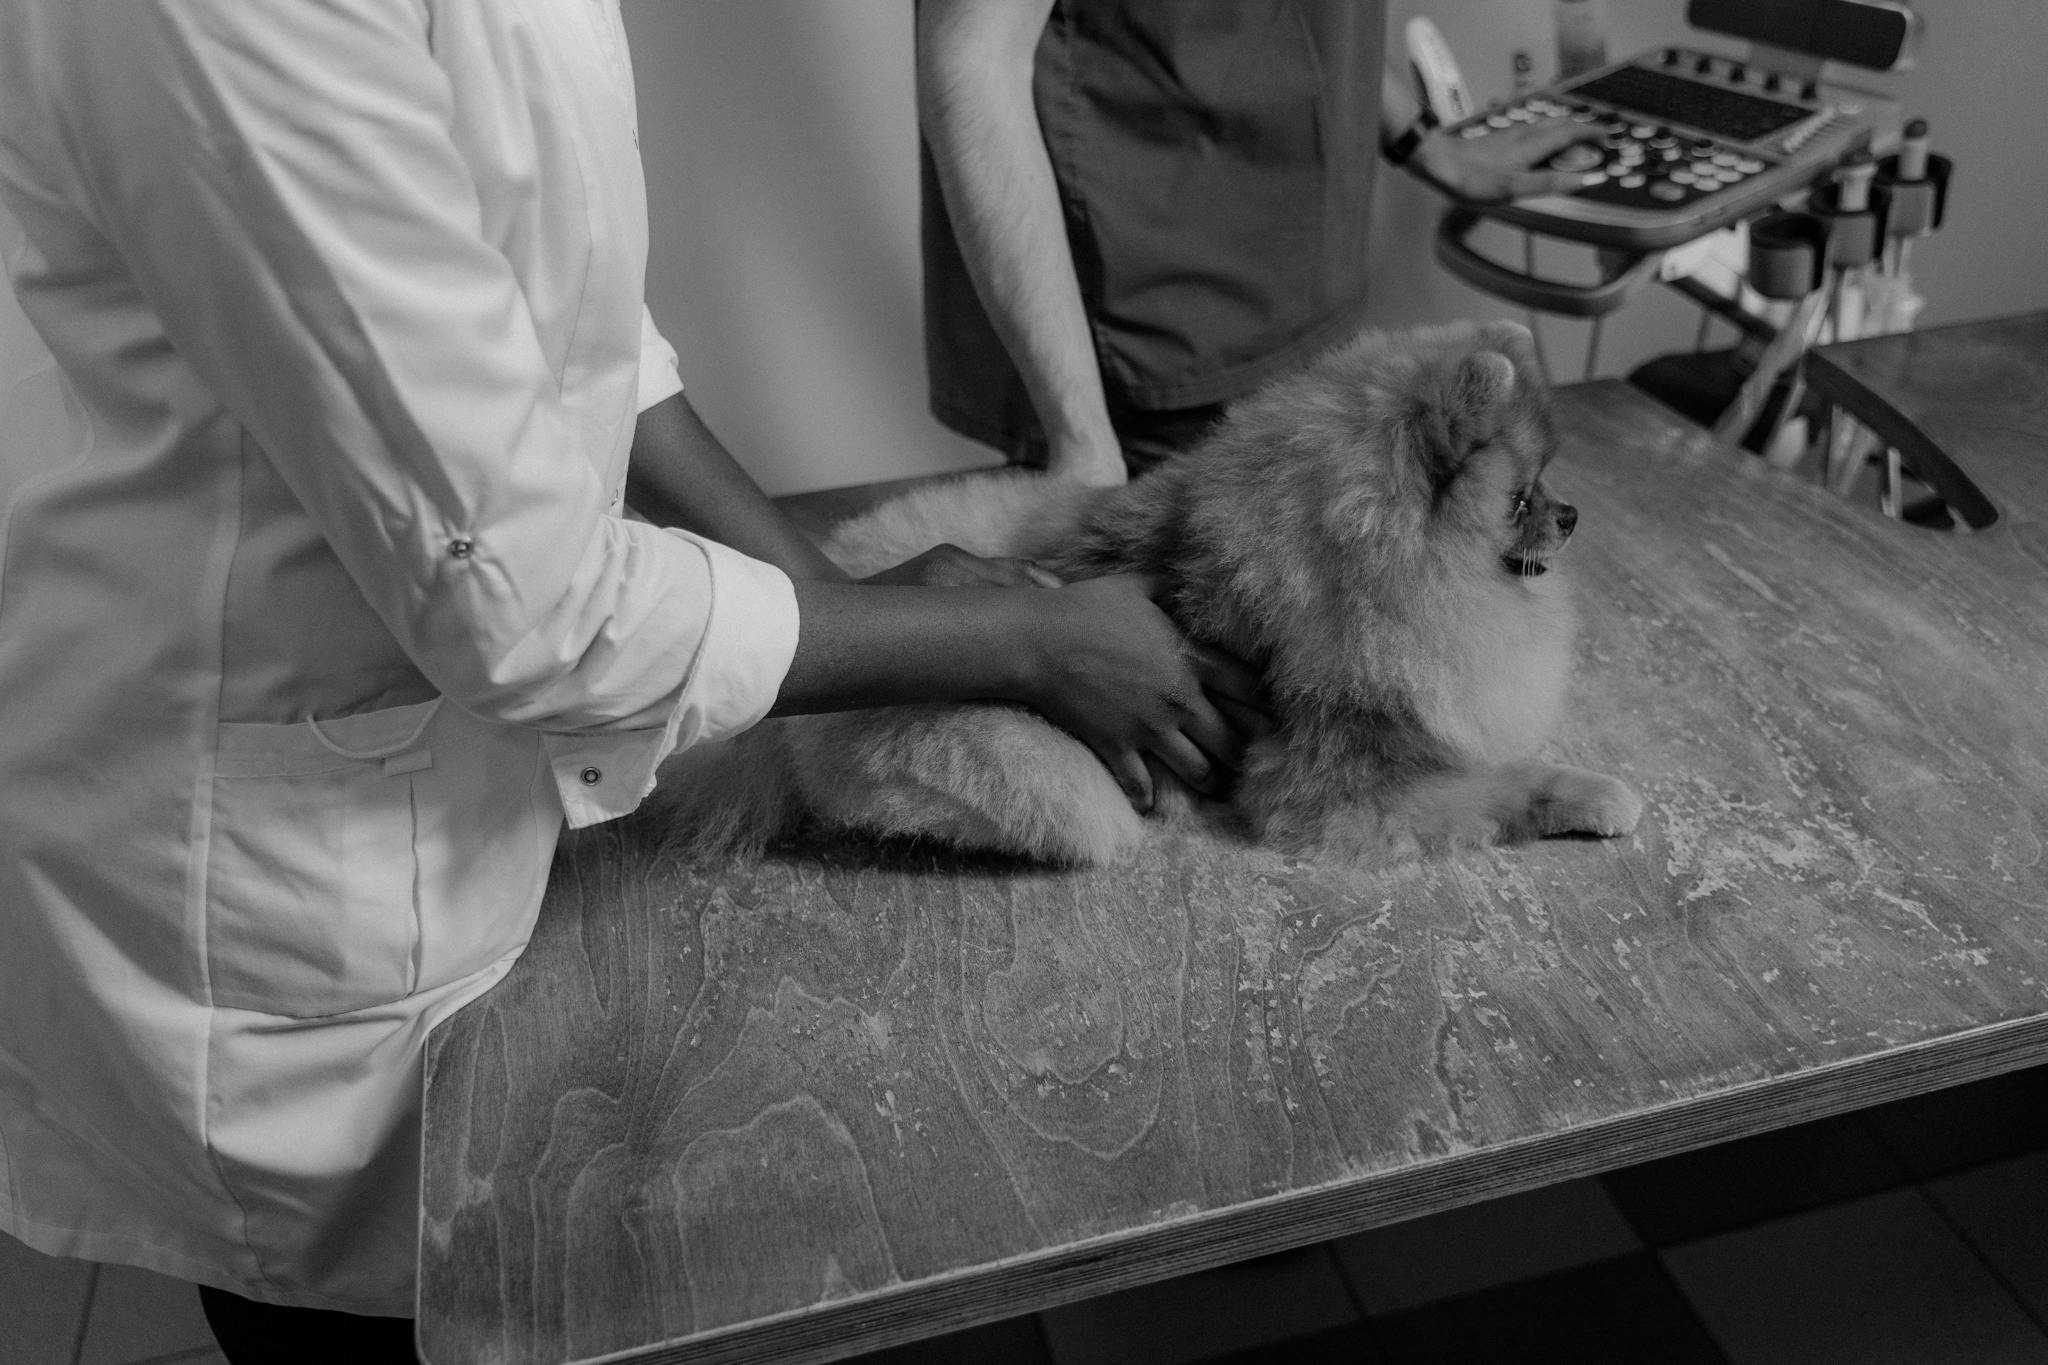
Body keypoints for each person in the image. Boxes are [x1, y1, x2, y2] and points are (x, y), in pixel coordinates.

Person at [0, 3, 1263, 1360]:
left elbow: (571, 321)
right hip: (281, 858)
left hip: (464, 789)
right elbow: (519, 597)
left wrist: (831, 596)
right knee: (398, 1319)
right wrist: (1019, 643)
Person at [916, 0, 1602, 483]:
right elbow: (973, 55)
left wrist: (1427, 144)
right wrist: (1083, 443)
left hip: (1305, 307)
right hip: (1141, 351)